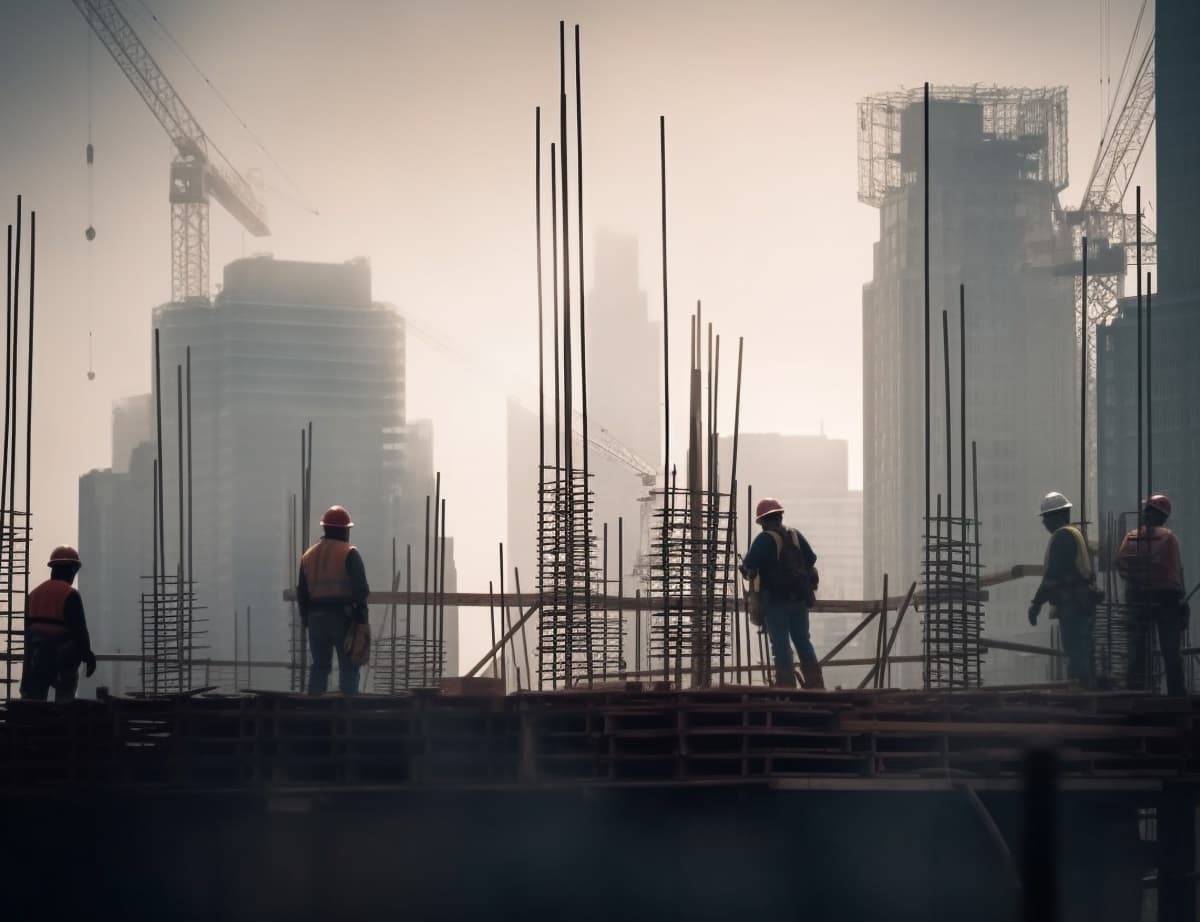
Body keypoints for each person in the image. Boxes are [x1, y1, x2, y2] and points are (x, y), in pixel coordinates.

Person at [740, 497, 823, 689]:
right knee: (803, 641)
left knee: (780, 645)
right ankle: (815, 684)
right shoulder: (795, 535)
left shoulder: (764, 539)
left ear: (762, 521)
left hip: (776, 602)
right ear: (780, 516)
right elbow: (811, 559)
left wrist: (745, 568)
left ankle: (786, 686)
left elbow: (750, 567)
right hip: (800, 600)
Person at [1117, 494, 1188, 696]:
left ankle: (1136, 690)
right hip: (1167, 599)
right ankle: (1176, 693)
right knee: (1170, 650)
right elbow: (1176, 572)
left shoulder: (1130, 537)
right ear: (1164, 517)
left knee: (1138, 649)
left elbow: (1121, 565)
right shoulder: (1169, 538)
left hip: (1138, 597)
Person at [298, 505, 370, 695]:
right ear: (345, 530)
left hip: (315, 620)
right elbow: (361, 589)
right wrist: (361, 620)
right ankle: (347, 710)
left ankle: (313, 709)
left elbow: (302, 593)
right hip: (341, 617)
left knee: (320, 666)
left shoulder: (308, 556)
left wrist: (306, 619)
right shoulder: (349, 552)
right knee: (349, 666)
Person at [1028, 492, 1096, 687]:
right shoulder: (1075, 534)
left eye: (1046, 518)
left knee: (1075, 651)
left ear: (1058, 516)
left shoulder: (1063, 537)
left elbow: (1053, 577)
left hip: (1073, 604)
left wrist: (1036, 604)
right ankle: (1084, 690)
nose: (1044, 523)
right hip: (1081, 602)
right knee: (1081, 650)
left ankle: (1081, 694)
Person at [21, 545, 96, 701]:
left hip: (36, 656)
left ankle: (31, 718)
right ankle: (64, 715)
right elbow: (79, 630)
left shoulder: (34, 594)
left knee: (33, 700)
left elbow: (28, 632)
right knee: (66, 693)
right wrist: (87, 656)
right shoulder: (70, 594)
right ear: (71, 570)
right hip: (61, 656)